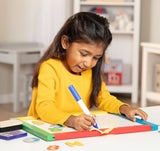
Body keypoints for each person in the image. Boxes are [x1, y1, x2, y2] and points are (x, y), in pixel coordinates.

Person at [28, 12, 148, 131]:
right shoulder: (50, 68)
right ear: (65, 42)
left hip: (72, 129)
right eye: (83, 54)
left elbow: (103, 98)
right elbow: (44, 108)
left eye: (96, 57)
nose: (89, 63)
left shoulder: (89, 71)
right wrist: (71, 120)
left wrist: (125, 109)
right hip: (42, 128)